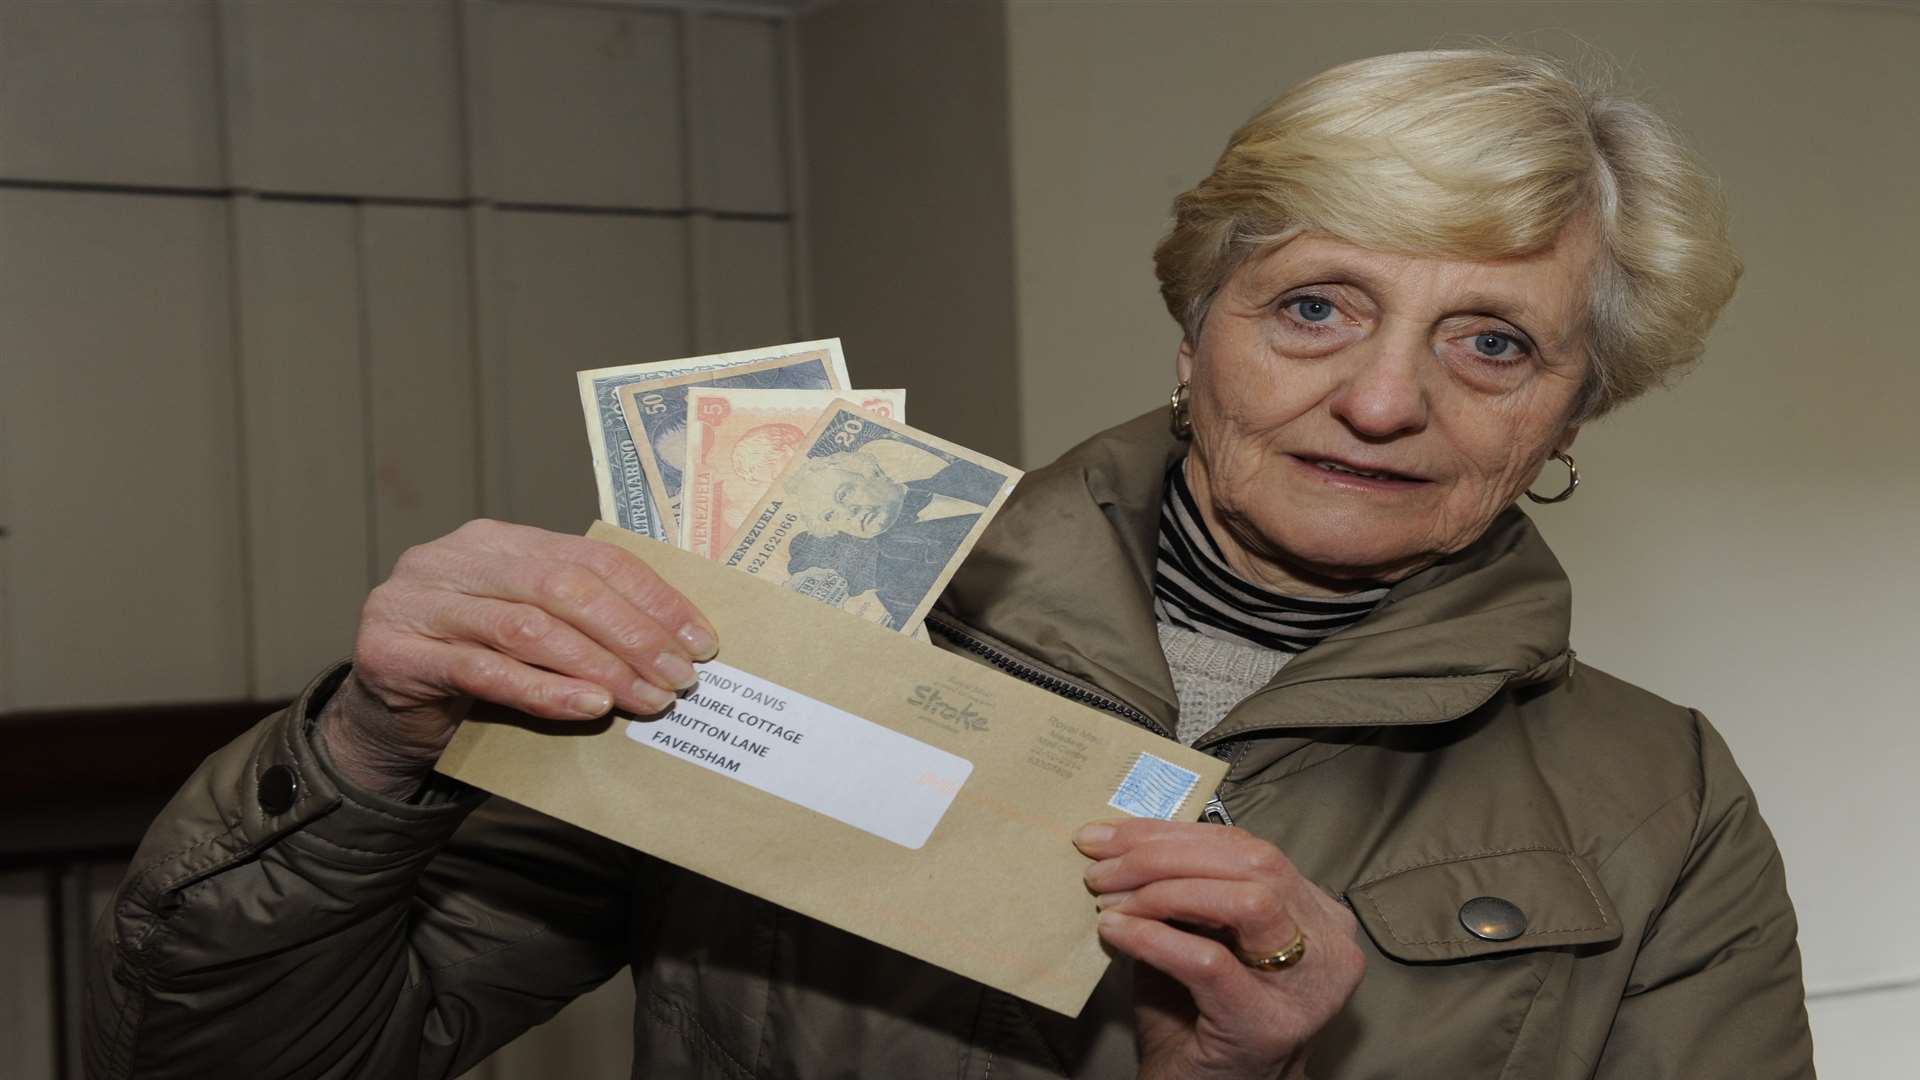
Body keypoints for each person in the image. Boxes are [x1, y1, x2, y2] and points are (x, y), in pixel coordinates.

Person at [87, 48, 1812, 1079]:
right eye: (1313, 306)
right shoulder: (795, 608)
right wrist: (367, 756)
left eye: (1493, 344)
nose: (1379, 397)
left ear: (1577, 409)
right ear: (1198, 322)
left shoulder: (1656, 798)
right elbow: (256, 1058)